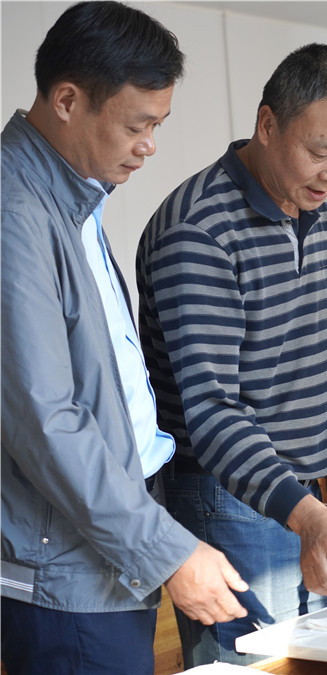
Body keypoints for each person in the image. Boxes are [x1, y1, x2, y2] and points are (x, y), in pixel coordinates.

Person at [0, 3, 249, 674]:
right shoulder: (14, 210)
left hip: (109, 546)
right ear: (67, 101)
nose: (149, 145)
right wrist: (167, 550)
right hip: (68, 572)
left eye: (157, 126)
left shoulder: (70, 195)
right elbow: (46, 421)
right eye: (138, 125)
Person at [136, 43, 327, 667]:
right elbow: (212, 410)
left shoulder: (315, 212)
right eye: (320, 152)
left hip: (300, 490)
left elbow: (315, 341)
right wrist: (306, 515)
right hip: (227, 496)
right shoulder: (199, 230)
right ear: (267, 124)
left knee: (312, 658)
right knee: (256, 663)